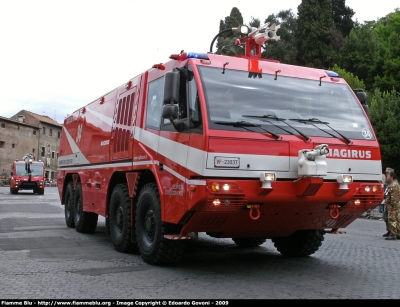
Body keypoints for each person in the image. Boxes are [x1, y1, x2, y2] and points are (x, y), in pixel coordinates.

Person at [384, 168, 400, 240]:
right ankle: (397, 234)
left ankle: (393, 234)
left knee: (392, 219)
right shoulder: (393, 184)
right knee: (396, 219)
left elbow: (394, 197)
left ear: (391, 176)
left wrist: (388, 202)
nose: (386, 177)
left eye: (388, 175)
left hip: (393, 206)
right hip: (394, 205)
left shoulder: (393, 185)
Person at [382, 168, 393, 236]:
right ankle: (389, 231)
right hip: (388, 203)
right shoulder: (388, 183)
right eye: (386, 173)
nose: (386, 175)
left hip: (392, 204)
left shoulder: (393, 183)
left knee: (390, 218)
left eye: (387, 174)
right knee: (386, 217)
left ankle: (392, 232)